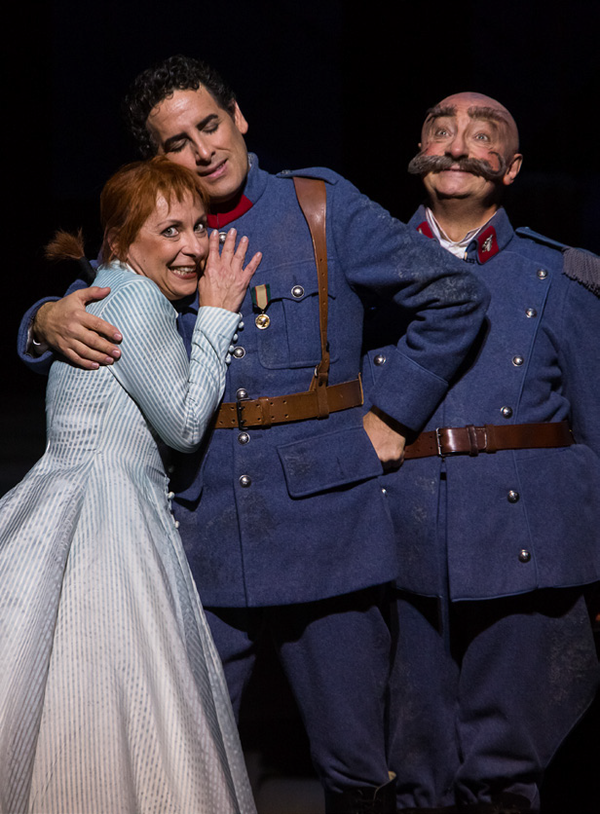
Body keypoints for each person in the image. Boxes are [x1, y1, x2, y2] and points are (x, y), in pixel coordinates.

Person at [17, 56, 490, 812]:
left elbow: (455, 294)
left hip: (327, 529)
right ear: (156, 158)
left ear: (239, 117)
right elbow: (98, 296)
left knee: (358, 767)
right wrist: (41, 320)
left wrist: (392, 413)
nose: (204, 150)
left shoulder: (316, 204)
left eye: (210, 125)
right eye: (178, 142)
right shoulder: (158, 227)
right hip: (200, 532)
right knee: (174, 753)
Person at [362, 92, 600, 813]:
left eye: (483, 133)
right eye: (442, 130)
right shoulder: (363, 275)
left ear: (513, 167)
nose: (460, 144)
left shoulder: (563, 278)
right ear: (420, 155)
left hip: (530, 551)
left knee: (507, 775)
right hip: (401, 546)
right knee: (410, 772)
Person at [1, 156, 262, 813]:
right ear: (120, 241)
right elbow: (180, 423)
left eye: (199, 227)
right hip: (108, 519)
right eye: (169, 231)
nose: (194, 246)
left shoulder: (110, 288)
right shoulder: (137, 299)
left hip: (77, 499)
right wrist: (218, 318)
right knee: (119, 697)